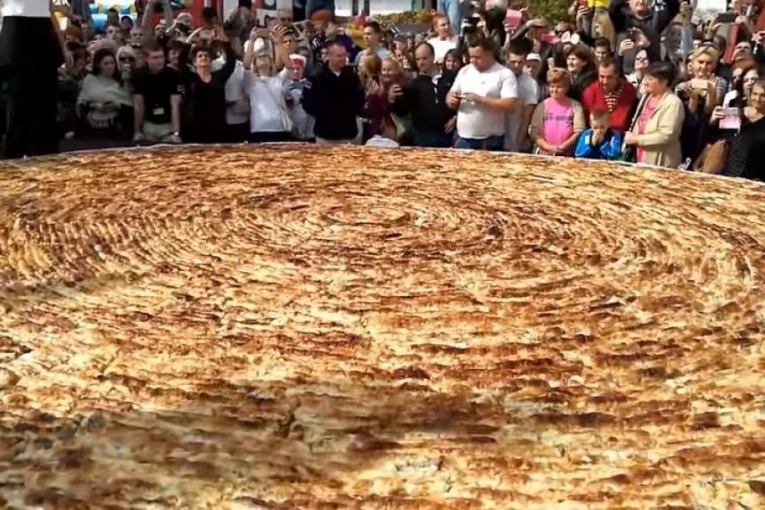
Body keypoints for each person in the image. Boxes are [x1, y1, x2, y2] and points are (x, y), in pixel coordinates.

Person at [0, 0, 69, 158]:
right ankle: (14, 154)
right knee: (17, 99)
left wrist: (63, 47)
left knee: (46, 99)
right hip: (15, 30)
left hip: (43, 31)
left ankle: (46, 154)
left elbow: (49, 9)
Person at [446, 38, 518, 151]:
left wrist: (481, 100)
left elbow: (511, 103)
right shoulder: (464, 71)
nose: (473, 61)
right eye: (471, 57)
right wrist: (451, 99)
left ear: (489, 54)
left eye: (477, 57)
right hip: (462, 137)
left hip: (489, 140)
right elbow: (451, 93)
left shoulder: (504, 74)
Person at [392, 42, 457, 148]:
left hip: (449, 137)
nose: (421, 62)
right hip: (423, 140)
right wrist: (393, 99)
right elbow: (402, 112)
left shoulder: (452, 78)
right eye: (418, 59)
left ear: (433, 56)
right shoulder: (413, 85)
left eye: (424, 58)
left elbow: (463, 103)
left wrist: (456, 118)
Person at [303, 40, 365, 144]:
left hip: (348, 133)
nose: (343, 58)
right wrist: (323, 114)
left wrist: (352, 111)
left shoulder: (352, 76)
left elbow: (360, 98)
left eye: (344, 55)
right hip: (325, 134)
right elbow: (308, 102)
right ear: (329, 57)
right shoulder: (316, 77)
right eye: (339, 56)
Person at [624, 61, 684, 168]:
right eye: (645, 78)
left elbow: (666, 135)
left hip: (661, 161)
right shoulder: (646, 97)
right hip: (640, 158)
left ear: (664, 82)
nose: (645, 82)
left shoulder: (673, 103)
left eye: (650, 79)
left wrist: (637, 139)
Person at [132, 39, 183, 143]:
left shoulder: (173, 75)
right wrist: (137, 131)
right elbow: (138, 105)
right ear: (146, 58)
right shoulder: (139, 75)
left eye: (161, 57)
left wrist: (176, 133)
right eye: (155, 58)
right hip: (148, 124)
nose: (160, 61)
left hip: (167, 125)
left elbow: (175, 105)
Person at [529, 68, 587, 156]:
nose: (555, 90)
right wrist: (548, 147)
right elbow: (534, 132)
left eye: (559, 87)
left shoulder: (575, 106)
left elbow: (579, 131)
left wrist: (562, 147)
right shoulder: (543, 105)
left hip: (567, 154)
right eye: (552, 86)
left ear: (567, 87)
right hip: (545, 153)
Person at [722, 79, 765, 179]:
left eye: (763, 95)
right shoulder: (736, 112)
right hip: (730, 172)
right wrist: (713, 119)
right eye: (755, 94)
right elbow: (720, 137)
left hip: (756, 178)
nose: (757, 99)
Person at [580, 57, 637, 133]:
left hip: (622, 135)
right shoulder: (589, 92)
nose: (605, 81)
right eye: (602, 77)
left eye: (609, 77)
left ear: (617, 75)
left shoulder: (629, 90)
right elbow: (586, 122)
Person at [503, 38, 539, 152]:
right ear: (507, 60)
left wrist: (517, 144)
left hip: (515, 140)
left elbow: (527, 117)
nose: (516, 65)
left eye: (520, 62)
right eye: (513, 62)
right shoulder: (498, 77)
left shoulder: (530, 84)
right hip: (496, 137)